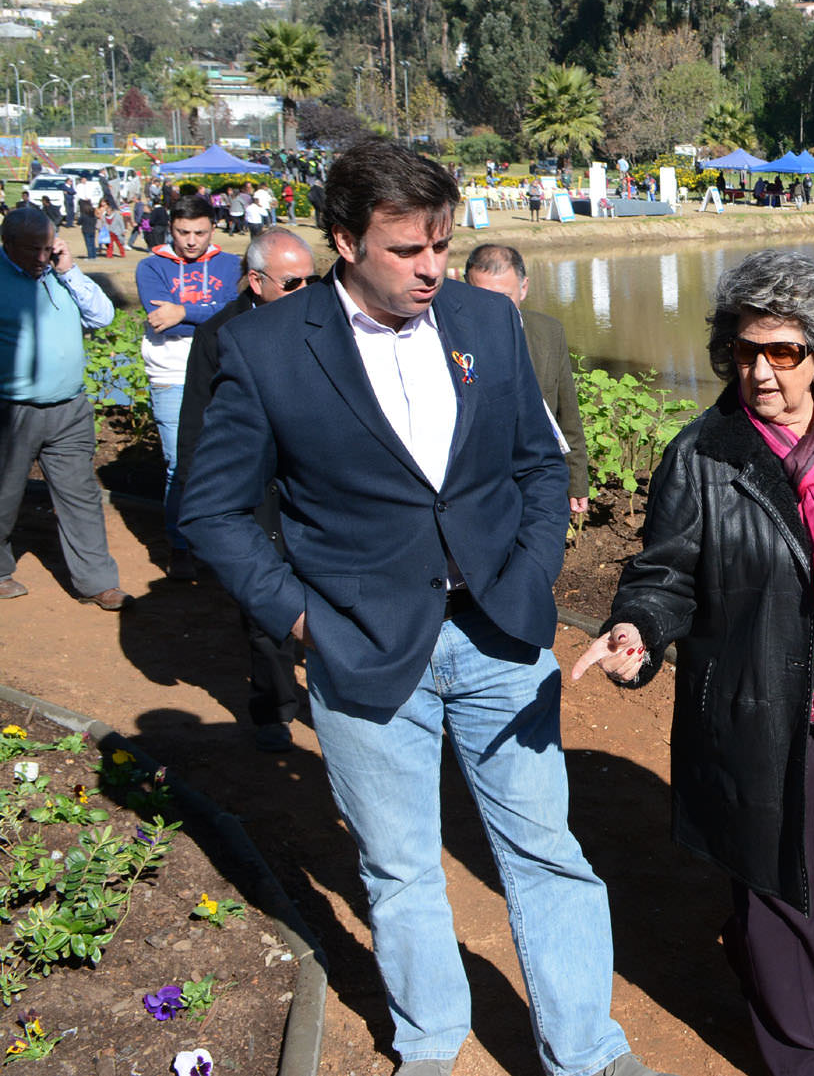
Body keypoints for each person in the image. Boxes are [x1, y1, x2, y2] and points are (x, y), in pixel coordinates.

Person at [178, 139, 671, 1076]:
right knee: (399, 869)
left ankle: (589, 1052)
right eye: (408, 249)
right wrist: (300, 619)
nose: (432, 267)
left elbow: (537, 459)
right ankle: (431, 1042)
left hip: (499, 634)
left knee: (547, 853)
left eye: (442, 243)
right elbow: (210, 508)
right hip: (359, 651)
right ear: (344, 240)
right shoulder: (265, 346)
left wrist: (530, 572)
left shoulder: (487, 321)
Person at [574, 250, 814, 1076]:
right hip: (756, 706)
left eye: (782, 352)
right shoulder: (707, 451)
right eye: (743, 350)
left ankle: (754, 940)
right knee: (779, 885)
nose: (759, 370)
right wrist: (638, 629)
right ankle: (803, 1056)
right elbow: (664, 571)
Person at [175, 227, 317, 752]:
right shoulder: (218, 335)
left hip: (313, 482)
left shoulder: (329, 323)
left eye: (312, 278)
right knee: (266, 602)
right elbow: (198, 423)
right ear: (256, 281)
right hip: (256, 488)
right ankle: (275, 707)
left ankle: (334, 698)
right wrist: (202, 502)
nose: (306, 290)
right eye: (292, 281)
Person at [0, 207, 129, 610]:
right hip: (11, 410)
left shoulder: (61, 273)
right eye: (30, 250)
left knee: (81, 496)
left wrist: (69, 271)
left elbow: (103, 317)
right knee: (3, 496)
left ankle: (97, 582)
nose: (41, 258)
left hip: (70, 407)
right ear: (7, 244)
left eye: (46, 248)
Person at [138, 192, 243, 579]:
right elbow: (161, 318)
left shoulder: (231, 264)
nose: (191, 241)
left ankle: (220, 542)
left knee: (226, 460)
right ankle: (180, 545)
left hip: (220, 371)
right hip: (171, 376)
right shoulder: (152, 267)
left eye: (200, 232)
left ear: (213, 229)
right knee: (179, 464)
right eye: (183, 232)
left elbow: (236, 311)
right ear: (171, 230)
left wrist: (185, 311)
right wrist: (202, 314)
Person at [463, 244, 590, 519]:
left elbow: (567, 412)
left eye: (503, 297)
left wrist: (577, 479)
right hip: (477, 489)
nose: (492, 309)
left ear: (523, 288)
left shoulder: (549, 332)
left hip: (538, 480)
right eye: (480, 297)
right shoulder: (449, 338)